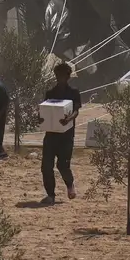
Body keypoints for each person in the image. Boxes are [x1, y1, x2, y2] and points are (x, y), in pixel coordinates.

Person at [41, 62, 81, 204]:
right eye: (58, 75)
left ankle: (70, 185)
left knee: (63, 165)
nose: (60, 78)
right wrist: (41, 118)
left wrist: (68, 119)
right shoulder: (50, 93)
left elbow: (76, 110)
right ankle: (50, 195)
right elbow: (45, 110)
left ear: (68, 76)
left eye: (63, 75)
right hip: (51, 134)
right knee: (46, 166)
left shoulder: (73, 93)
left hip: (66, 136)